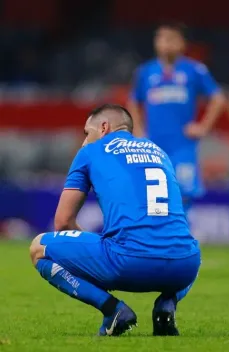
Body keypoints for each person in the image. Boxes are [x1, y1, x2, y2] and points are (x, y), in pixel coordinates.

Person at [29, 104, 200, 336]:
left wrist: (92, 264)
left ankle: (113, 309)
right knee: (188, 245)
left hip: (127, 263)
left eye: (86, 133)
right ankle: (166, 306)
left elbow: (63, 222)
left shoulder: (90, 152)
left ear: (104, 128)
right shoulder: (158, 151)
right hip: (185, 268)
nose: (83, 142)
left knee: (39, 247)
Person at [127, 22, 226, 215]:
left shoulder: (194, 70)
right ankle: (159, 239)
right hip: (153, 144)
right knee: (154, 194)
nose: (166, 43)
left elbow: (218, 98)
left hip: (183, 145)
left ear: (182, 44)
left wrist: (203, 127)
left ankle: (180, 238)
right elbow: (133, 102)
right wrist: (138, 131)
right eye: (161, 38)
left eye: (171, 39)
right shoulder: (145, 72)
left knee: (183, 193)